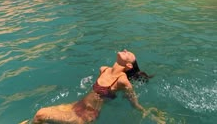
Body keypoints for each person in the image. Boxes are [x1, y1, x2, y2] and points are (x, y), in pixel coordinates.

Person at [20, 50, 165, 124]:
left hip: (85, 116)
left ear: (128, 65)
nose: (125, 50)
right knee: (41, 118)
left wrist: (147, 111)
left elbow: (133, 100)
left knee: (40, 114)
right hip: (75, 106)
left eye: (128, 53)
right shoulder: (104, 69)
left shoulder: (123, 81)